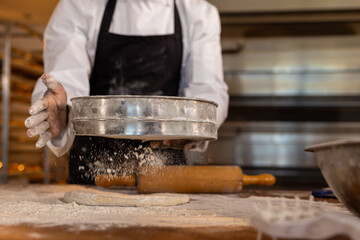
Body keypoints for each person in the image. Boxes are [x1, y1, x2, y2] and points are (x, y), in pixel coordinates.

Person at [25, 0, 229, 184]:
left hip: (166, 176)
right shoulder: (79, 5)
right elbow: (64, 78)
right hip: (93, 177)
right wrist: (61, 111)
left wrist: (196, 127)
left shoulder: (199, 15)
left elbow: (207, 90)